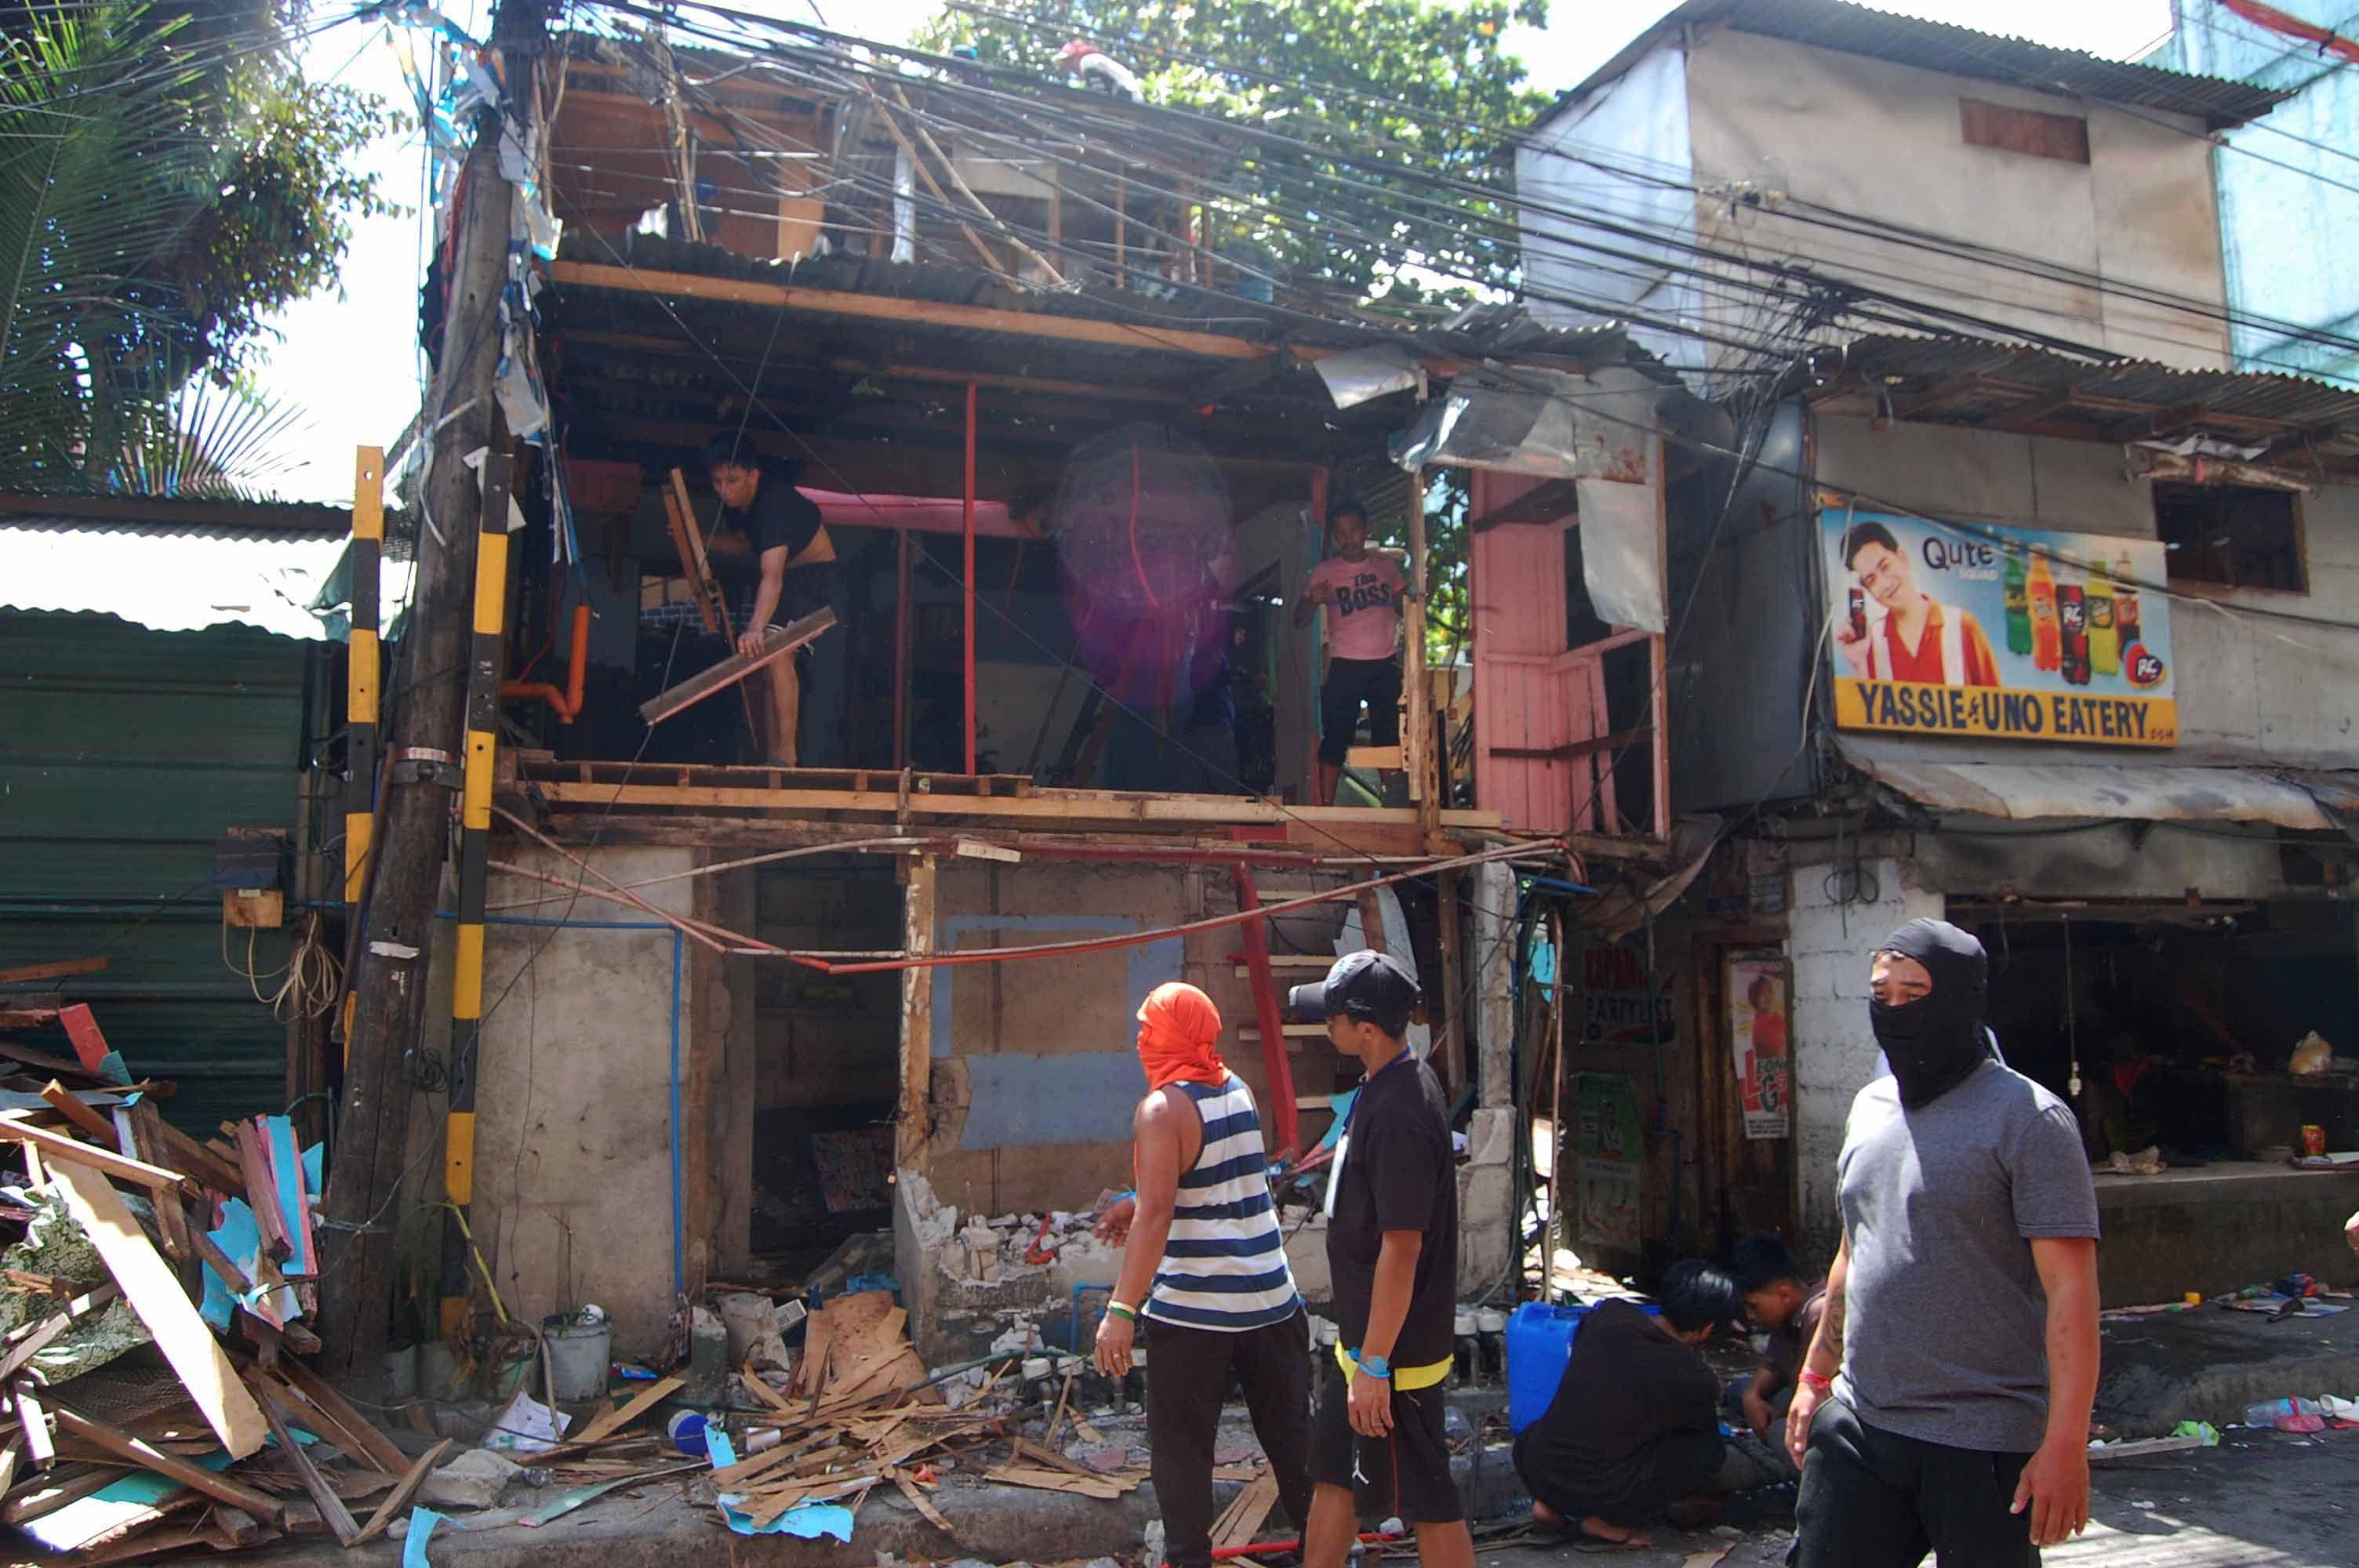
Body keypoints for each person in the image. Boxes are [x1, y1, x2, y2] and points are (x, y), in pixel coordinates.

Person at [1786, 919, 2102, 1568]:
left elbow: (2072, 1292)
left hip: (1981, 1436)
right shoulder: (1870, 1107)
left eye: (1915, 993)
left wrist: (2066, 1445)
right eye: (1883, 995)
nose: (1896, 1012)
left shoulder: (2031, 1120)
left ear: (1962, 1000)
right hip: (1862, 1422)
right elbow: (1856, 1248)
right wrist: (1816, 1374)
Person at [1091, 983, 1310, 1568]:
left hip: (1196, 1315)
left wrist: (1120, 1311)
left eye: (1151, 1029)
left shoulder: (1160, 1110)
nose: (1140, 1039)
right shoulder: (1235, 1089)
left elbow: (1160, 1215)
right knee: (1293, 1441)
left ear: (1179, 1036)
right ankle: (1330, 1551)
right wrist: (1138, 1199)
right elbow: (1209, 1178)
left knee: (1182, 1452)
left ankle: (1189, 1559)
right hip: (1272, 1302)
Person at [1285, 951, 1472, 1568]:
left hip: (1394, 1355)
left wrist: (1376, 1364)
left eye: (1333, 1017)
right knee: (1335, 1475)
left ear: (1365, 1027)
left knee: (1429, 1500)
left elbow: (1403, 1245)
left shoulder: (1401, 1109)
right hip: (1363, 1340)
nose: (1326, 1027)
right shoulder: (1381, 1086)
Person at [1514, 1263, 1767, 1548]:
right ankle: (1607, 1521)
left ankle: (1550, 1505)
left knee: (1565, 1430)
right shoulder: (1693, 1375)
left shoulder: (1610, 1315)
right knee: (1706, 1450)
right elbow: (1695, 1432)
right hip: (1596, 1489)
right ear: (1707, 1329)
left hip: (1537, 1464)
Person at [703, 434, 847, 767]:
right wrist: (699, 540)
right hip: (793, 579)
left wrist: (754, 629)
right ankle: (774, 755)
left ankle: (785, 755)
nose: (724, 490)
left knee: (773, 648)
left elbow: (772, 576)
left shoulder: (773, 506)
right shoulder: (740, 507)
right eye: (716, 482)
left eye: (732, 481)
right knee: (769, 659)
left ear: (754, 475)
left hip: (817, 578)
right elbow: (744, 545)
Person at [1295, 500, 1405, 806]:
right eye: (1341, 534)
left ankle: (1394, 808)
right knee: (1336, 739)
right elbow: (1299, 620)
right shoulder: (1326, 571)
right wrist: (1310, 601)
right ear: (1334, 537)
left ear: (1366, 530)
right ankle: (1326, 808)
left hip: (1384, 664)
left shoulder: (1386, 567)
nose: (1348, 539)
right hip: (1345, 665)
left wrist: (1415, 595)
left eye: (1354, 531)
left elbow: (1404, 606)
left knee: (1389, 737)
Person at [1836, 521, 2001, 688]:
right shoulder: (1870, 644)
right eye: (1871, 580)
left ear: (1903, 558)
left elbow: (1998, 707)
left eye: (1885, 566)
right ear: (1867, 590)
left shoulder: (1962, 626)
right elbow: (1867, 712)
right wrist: (1858, 664)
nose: (1885, 584)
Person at [1726, 1234, 1825, 1461]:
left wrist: (1776, 1417)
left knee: (1778, 1432)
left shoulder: (1819, 1312)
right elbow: (1773, 1363)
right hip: (1798, 1397)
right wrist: (1753, 1396)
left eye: (1753, 1306)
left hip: (1826, 1414)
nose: (1750, 1316)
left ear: (1784, 1294)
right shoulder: (1788, 1312)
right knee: (1740, 1391)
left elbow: (1818, 1400)